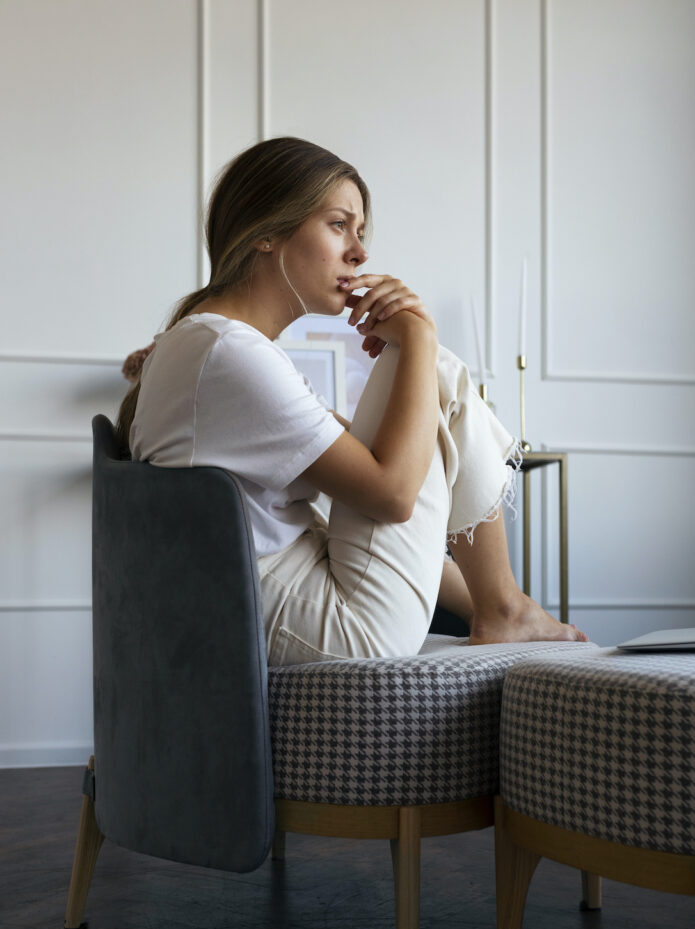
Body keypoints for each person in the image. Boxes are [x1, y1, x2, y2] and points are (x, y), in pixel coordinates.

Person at [117, 137, 586, 665]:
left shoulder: (218, 346)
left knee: (426, 383)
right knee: (434, 368)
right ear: (265, 232)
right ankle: (505, 609)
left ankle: (503, 607)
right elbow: (394, 496)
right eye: (339, 225)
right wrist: (418, 338)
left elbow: (380, 470)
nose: (360, 253)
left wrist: (414, 351)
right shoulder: (228, 352)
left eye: (360, 233)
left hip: (284, 600)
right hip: (334, 625)